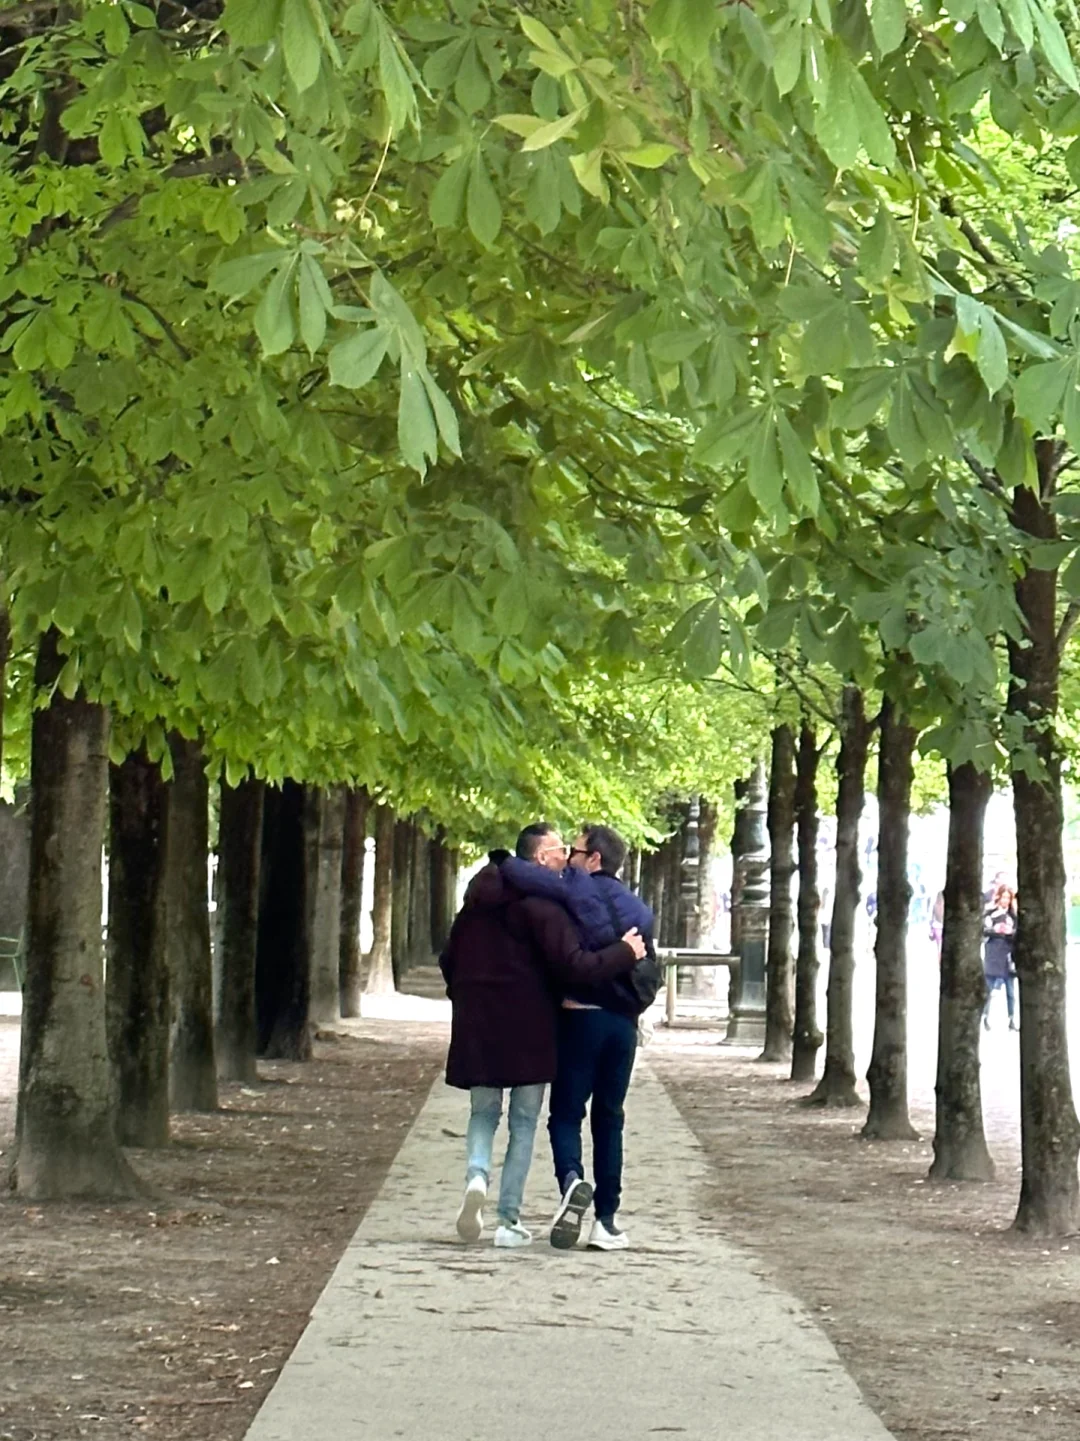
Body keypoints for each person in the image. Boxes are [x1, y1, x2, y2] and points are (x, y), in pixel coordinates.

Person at [439, 824, 645, 1249]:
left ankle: (478, 1176)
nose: (565, 857)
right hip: (533, 1028)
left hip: (479, 1025)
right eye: (558, 849)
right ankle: (511, 1220)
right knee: (527, 1121)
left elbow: (448, 959)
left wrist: (466, 997)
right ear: (539, 857)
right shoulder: (545, 907)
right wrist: (624, 953)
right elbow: (574, 965)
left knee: (484, 1112)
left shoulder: (473, 905)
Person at [502, 824, 659, 1253]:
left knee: (566, 1114)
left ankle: (571, 1180)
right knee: (610, 1118)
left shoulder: (573, 888)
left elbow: (520, 874)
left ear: (594, 860)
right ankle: (606, 1222)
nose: (567, 857)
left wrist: (509, 860)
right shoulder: (640, 910)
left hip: (580, 1019)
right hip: (623, 1027)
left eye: (575, 850)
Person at [982, 883, 1018, 1031]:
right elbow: (984, 930)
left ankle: (1011, 1019)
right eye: (1003, 897)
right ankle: (985, 1017)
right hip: (993, 954)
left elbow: (1017, 933)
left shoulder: (1012, 917)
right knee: (988, 988)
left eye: (1008, 898)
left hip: (1007, 955)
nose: (1005, 900)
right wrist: (996, 930)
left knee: (1010, 992)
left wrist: (1011, 933)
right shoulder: (990, 914)